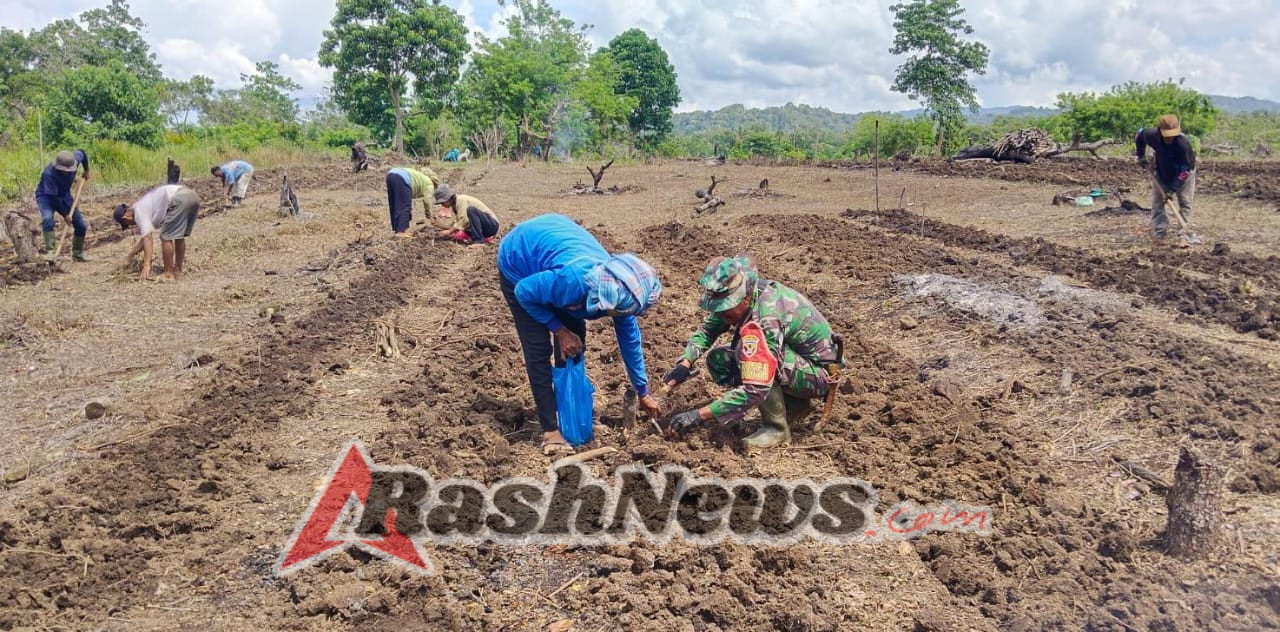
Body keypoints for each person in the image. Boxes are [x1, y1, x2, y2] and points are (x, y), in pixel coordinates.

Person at [498, 214, 663, 455]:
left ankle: (572, 418)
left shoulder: (621, 293)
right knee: (538, 348)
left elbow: (630, 341)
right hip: (520, 264)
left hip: (555, 264)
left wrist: (643, 391)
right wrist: (559, 329)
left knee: (575, 343)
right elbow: (524, 292)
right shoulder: (574, 282)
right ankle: (551, 430)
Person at [665, 255, 840, 452]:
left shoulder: (766, 317)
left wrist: (699, 415)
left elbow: (756, 388)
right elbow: (708, 330)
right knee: (721, 360)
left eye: (726, 310)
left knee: (749, 355)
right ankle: (795, 407)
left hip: (821, 375)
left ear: (745, 297)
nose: (723, 317)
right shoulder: (746, 296)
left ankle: (777, 430)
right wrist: (685, 363)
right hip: (801, 363)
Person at [112, 185, 201, 282]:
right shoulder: (146, 207)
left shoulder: (139, 212)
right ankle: (177, 270)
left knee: (165, 237)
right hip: (192, 196)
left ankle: (168, 274)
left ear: (126, 217)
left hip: (178, 198)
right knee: (178, 236)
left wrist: (147, 265)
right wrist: (131, 255)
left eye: (128, 224)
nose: (132, 225)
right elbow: (145, 240)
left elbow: (148, 239)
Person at [1136, 114, 1197, 247]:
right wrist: (1140, 155)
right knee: (1157, 203)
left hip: (1184, 174)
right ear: (1160, 131)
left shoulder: (1183, 145)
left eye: (1172, 134)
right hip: (1162, 171)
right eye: (1166, 135)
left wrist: (1172, 189)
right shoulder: (1151, 135)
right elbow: (1139, 135)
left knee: (1185, 203)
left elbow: (1185, 169)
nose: (1169, 138)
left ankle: (1184, 235)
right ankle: (1160, 234)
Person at [34, 150, 91, 261]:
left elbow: (83, 153)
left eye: (68, 170)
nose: (65, 172)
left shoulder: (75, 159)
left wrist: (87, 170)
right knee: (47, 219)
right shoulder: (49, 174)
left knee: (81, 225)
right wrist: (65, 215)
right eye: (62, 170)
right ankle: (50, 252)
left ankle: (78, 253)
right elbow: (54, 199)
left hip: (64, 195)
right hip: (46, 196)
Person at [432, 184, 499, 244]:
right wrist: (439, 225)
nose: (442, 205)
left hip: (492, 225)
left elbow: (464, 220)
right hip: (484, 228)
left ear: (448, 198)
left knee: (471, 209)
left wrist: (449, 232)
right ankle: (480, 239)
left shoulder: (461, 200)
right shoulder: (455, 206)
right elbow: (457, 226)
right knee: (460, 230)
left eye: (442, 202)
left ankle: (478, 242)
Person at [384, 166, 440, 238]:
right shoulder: (430, 184)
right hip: (402, 178)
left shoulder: (420, 177)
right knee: (405, 206)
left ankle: (400, 229)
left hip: (391, 175)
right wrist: (429, 215)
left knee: (395, 204)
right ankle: (401, 231)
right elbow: (427, 200)